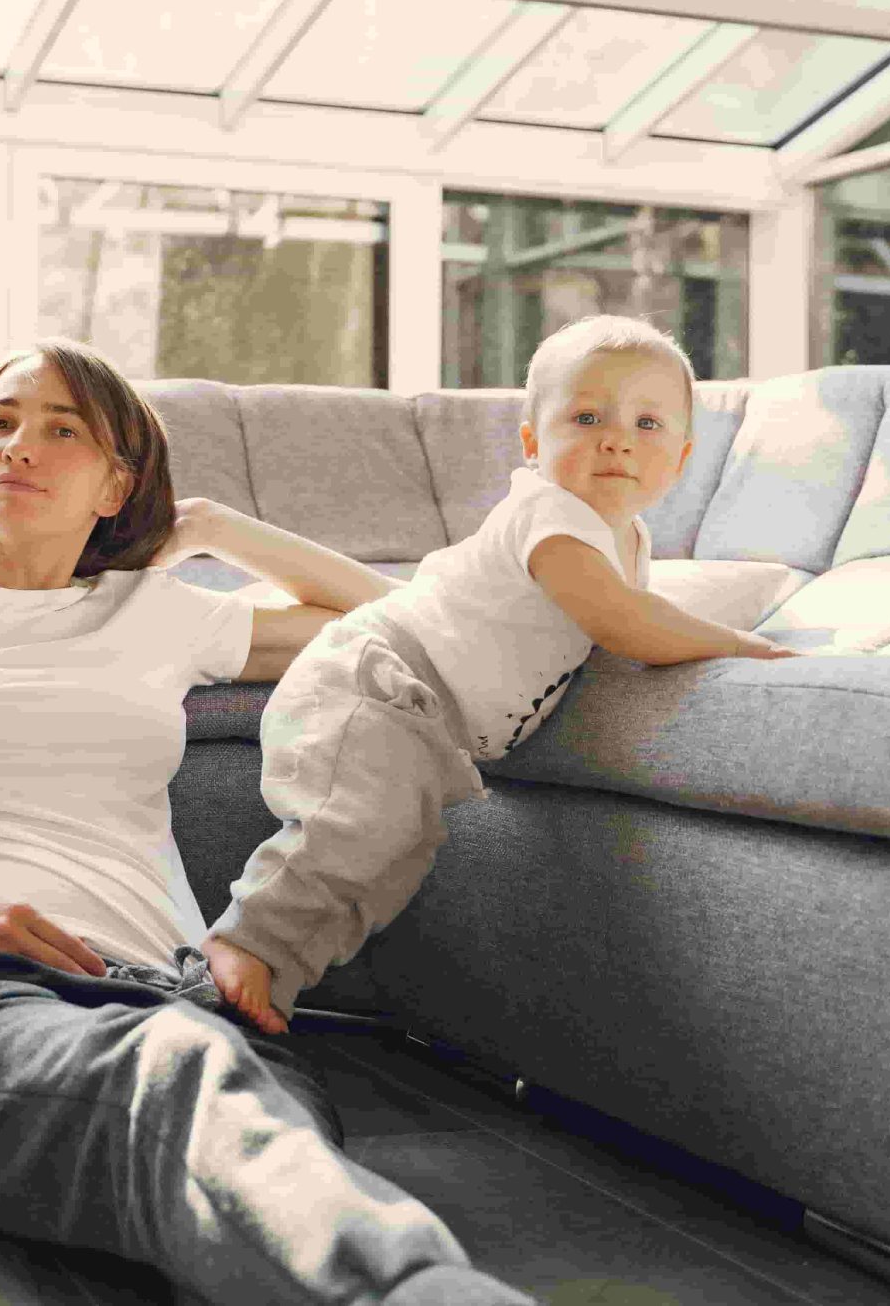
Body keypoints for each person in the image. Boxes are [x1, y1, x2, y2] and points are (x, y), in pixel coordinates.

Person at [0, 338, 534, 1306]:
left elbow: (409, 620)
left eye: (60, 430)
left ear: (116, 486)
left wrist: (211, 525)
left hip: (183, 998)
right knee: (179, 1091)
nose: (17, 447)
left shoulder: (156, 612)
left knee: (242, 1179)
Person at [204, 315, 798, 1035]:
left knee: (396, 851)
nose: (617, 438)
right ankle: (247, 942)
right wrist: (743, 646)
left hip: (424, 717)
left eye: (648, 422)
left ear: (681, 459)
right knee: (361, 825)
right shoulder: (552, 514)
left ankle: (275, 975)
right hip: (376, 680)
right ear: (531, 443)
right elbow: (622, 622)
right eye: (587, 417)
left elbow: (619, 619)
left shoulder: (629, 539)